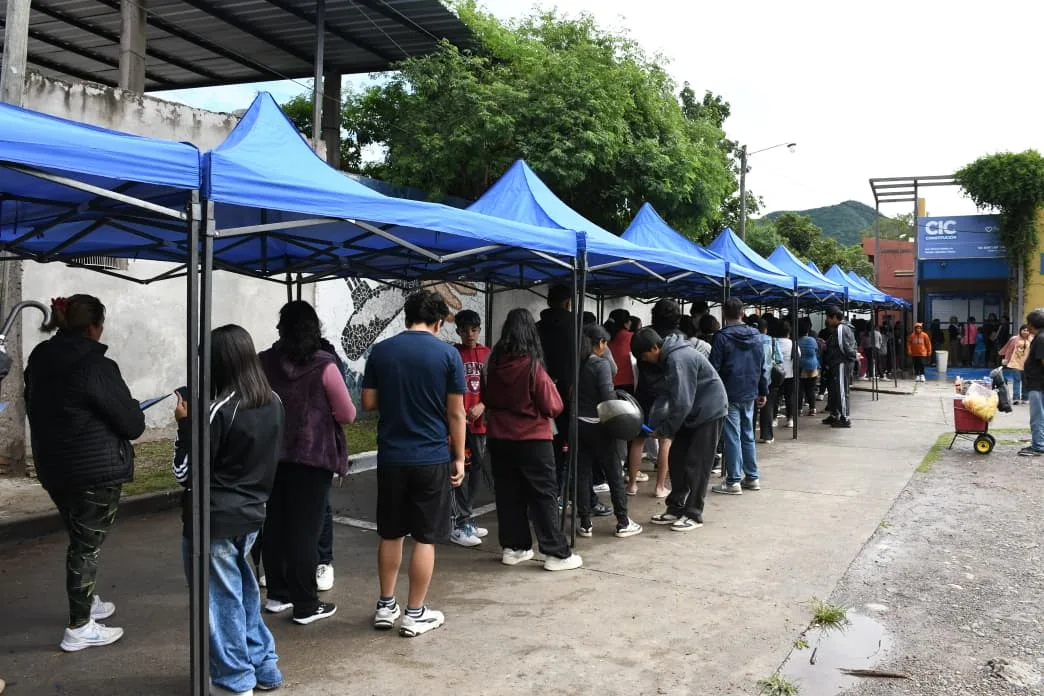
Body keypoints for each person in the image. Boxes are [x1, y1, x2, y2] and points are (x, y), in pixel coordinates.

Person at [24, 295, 145, 652]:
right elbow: (132, 423)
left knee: (80, 538)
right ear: (94, 327)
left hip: (54, 466)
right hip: (95, 471)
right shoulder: (95, 366)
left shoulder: (40, 358)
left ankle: (86, 600)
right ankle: (79, 626)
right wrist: (133, 409)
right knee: (85, 547)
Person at [172, 325, 284, 696]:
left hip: (214, 519)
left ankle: (235, 680)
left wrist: (184, 429)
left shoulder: (218, 409)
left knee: (219, 603)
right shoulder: (274, 401)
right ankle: (263, 664)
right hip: (252, 514)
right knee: (242, 591)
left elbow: (186, 473)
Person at [362, 290, 467, 636]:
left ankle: (385, 604)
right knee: (425, 536)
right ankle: (415, 612)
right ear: (439, 322)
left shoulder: (382, 350)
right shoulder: (448, 355)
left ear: (406, 317)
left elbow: (368, 402)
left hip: (392, 456)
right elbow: (456, 412)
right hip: (431, 457)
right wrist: (459, 457)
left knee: (391, 532)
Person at [259, 301, 355, 625]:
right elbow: (348, 414)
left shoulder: (263, 362)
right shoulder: (325, 366)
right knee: (305, 531)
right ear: (315, 329)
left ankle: (277, 594)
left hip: (272, 455)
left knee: (273, 524)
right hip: (313, 459)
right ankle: (305, 604)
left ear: (281, 328)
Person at [483, 308, 582, 570]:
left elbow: (487, 398)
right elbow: (553, 406)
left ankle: (514, 548)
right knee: (543, 496)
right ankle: (555, 553)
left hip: (499, 438)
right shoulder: (532, 367)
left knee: (508, 495)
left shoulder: (493, 365)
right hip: (532, 440)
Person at [634, 328, 728, 531]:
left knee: (697, 463)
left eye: (644, 355)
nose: (645, 360)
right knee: (677, 459)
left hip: (709, 411)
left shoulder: (678, 358)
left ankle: (694, 514)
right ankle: (675, 508)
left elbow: (682, 401)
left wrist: (666, 429)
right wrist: (659, 424)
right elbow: (668, 395)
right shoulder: (669, 357)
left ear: (654, 347)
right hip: (692, 411)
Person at [576, 324, 642, 539]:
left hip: (579, 424)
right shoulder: (600, 364)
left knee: (583, 474)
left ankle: (585, 523)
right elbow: (607, 396)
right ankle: (623, 521)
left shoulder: (577, 363)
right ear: (601, 343)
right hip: (600, 426)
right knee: (614, 473)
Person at [709, 298, 767, 496]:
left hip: (728, 392)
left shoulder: (721, 337)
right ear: (742, 313)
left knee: (732, 436)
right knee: (747, 434)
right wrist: (763, 390)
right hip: (750, 391)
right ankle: (752, 477)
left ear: (724, 314)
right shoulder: (757, 336)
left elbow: (713, 369)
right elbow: (762, 366)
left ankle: (733, 480)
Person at [450, 309, 492, 548]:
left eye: (474, 330)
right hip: (458, 424)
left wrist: (483, 405)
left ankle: (468, 515)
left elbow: (495, 387)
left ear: (479, 330)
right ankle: (460, 520)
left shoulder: (487, 354)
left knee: (477, 469)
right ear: (458, 331)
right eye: (465, 330)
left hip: (480, 424)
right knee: (458, 470)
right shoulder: (453, 354)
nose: (470, 334)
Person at [536, 284, 576, 498]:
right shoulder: (575, 326)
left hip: (541, 391)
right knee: (570, 443)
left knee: (547, 441)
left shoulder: (537, 327)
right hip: (568, 392)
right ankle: (564, 489)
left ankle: (548, 488)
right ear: (568, 302)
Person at [822, 306, 858, 428]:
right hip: (838, 362)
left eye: (828, 317)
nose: (827, 320)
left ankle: (845, 418)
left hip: (841, 362)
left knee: (842, 390)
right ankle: (836, 414)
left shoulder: (841, 328)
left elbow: (844, 347)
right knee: (836, 390)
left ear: (834, 317)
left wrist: (853, 355)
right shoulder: (843, 327)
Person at [1019, 310, 1044, 456]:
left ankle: (1038, 446)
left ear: (1031, 324)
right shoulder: (1039, 337)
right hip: (1037, 383)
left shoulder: (1040, 339)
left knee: (1037, 415)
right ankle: (1039, 442)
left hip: (1038, 384)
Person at [756, 319, 779, 444]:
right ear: (766, 329)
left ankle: (749, 434)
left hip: (753, 377)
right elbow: (779, 358)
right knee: (767, 407)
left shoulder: (751, 339)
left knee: (752, 408)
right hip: (768, 378)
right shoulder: (773, 340)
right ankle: (767, 436)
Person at [606, 309, 635, 394]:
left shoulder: (605, 338)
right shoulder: (633, 337)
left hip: (609, 383)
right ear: (626, 323)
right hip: (629, 383)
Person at [1001, 324, 1031, 405]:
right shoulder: (1015, 339)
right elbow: (1010, 350)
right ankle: (1016, 398)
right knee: (1017, 380)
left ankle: (1025, 397)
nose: (1025, 332)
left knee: (1026, 381)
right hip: (1015, 363)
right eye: (1024, 330)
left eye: (1027, 330)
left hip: (1027, 364)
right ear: (1020, 330)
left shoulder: (1031, 339)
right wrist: (1006, 359)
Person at [797, 320, 820, 416]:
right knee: (811, 389)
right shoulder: (812, 340)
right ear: (807, 331)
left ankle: (799, 409)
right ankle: (812, 408)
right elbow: (816, 350)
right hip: (813, 366)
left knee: (800, 389)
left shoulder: (797, 341)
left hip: (801, 367)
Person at [775, 322, 796, 428]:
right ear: (789, 332)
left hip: (776, 375)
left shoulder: (774, 342)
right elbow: (798, 356)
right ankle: (790, 419)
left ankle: (774, 418)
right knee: (789, 397)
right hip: (790, 374)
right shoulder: (793, 344)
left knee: (775, 397)